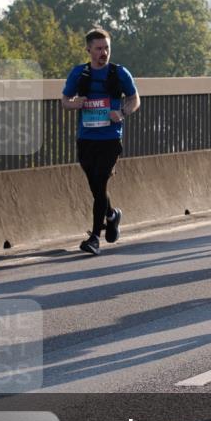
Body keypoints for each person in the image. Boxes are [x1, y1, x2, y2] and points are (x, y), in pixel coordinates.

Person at [61, 28, 140, 255]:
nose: (103, 52)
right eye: (98, 48)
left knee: (100, 179)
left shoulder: (119, 73)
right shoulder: (79, 74)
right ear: (89, 50)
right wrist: (76, 103)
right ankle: (111, 215)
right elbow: (65, 100)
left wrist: (123, 113)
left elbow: (135, 99)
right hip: (86, 138)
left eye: (106, 48)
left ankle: (95, 237)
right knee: (96, 186)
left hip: (110, 138)